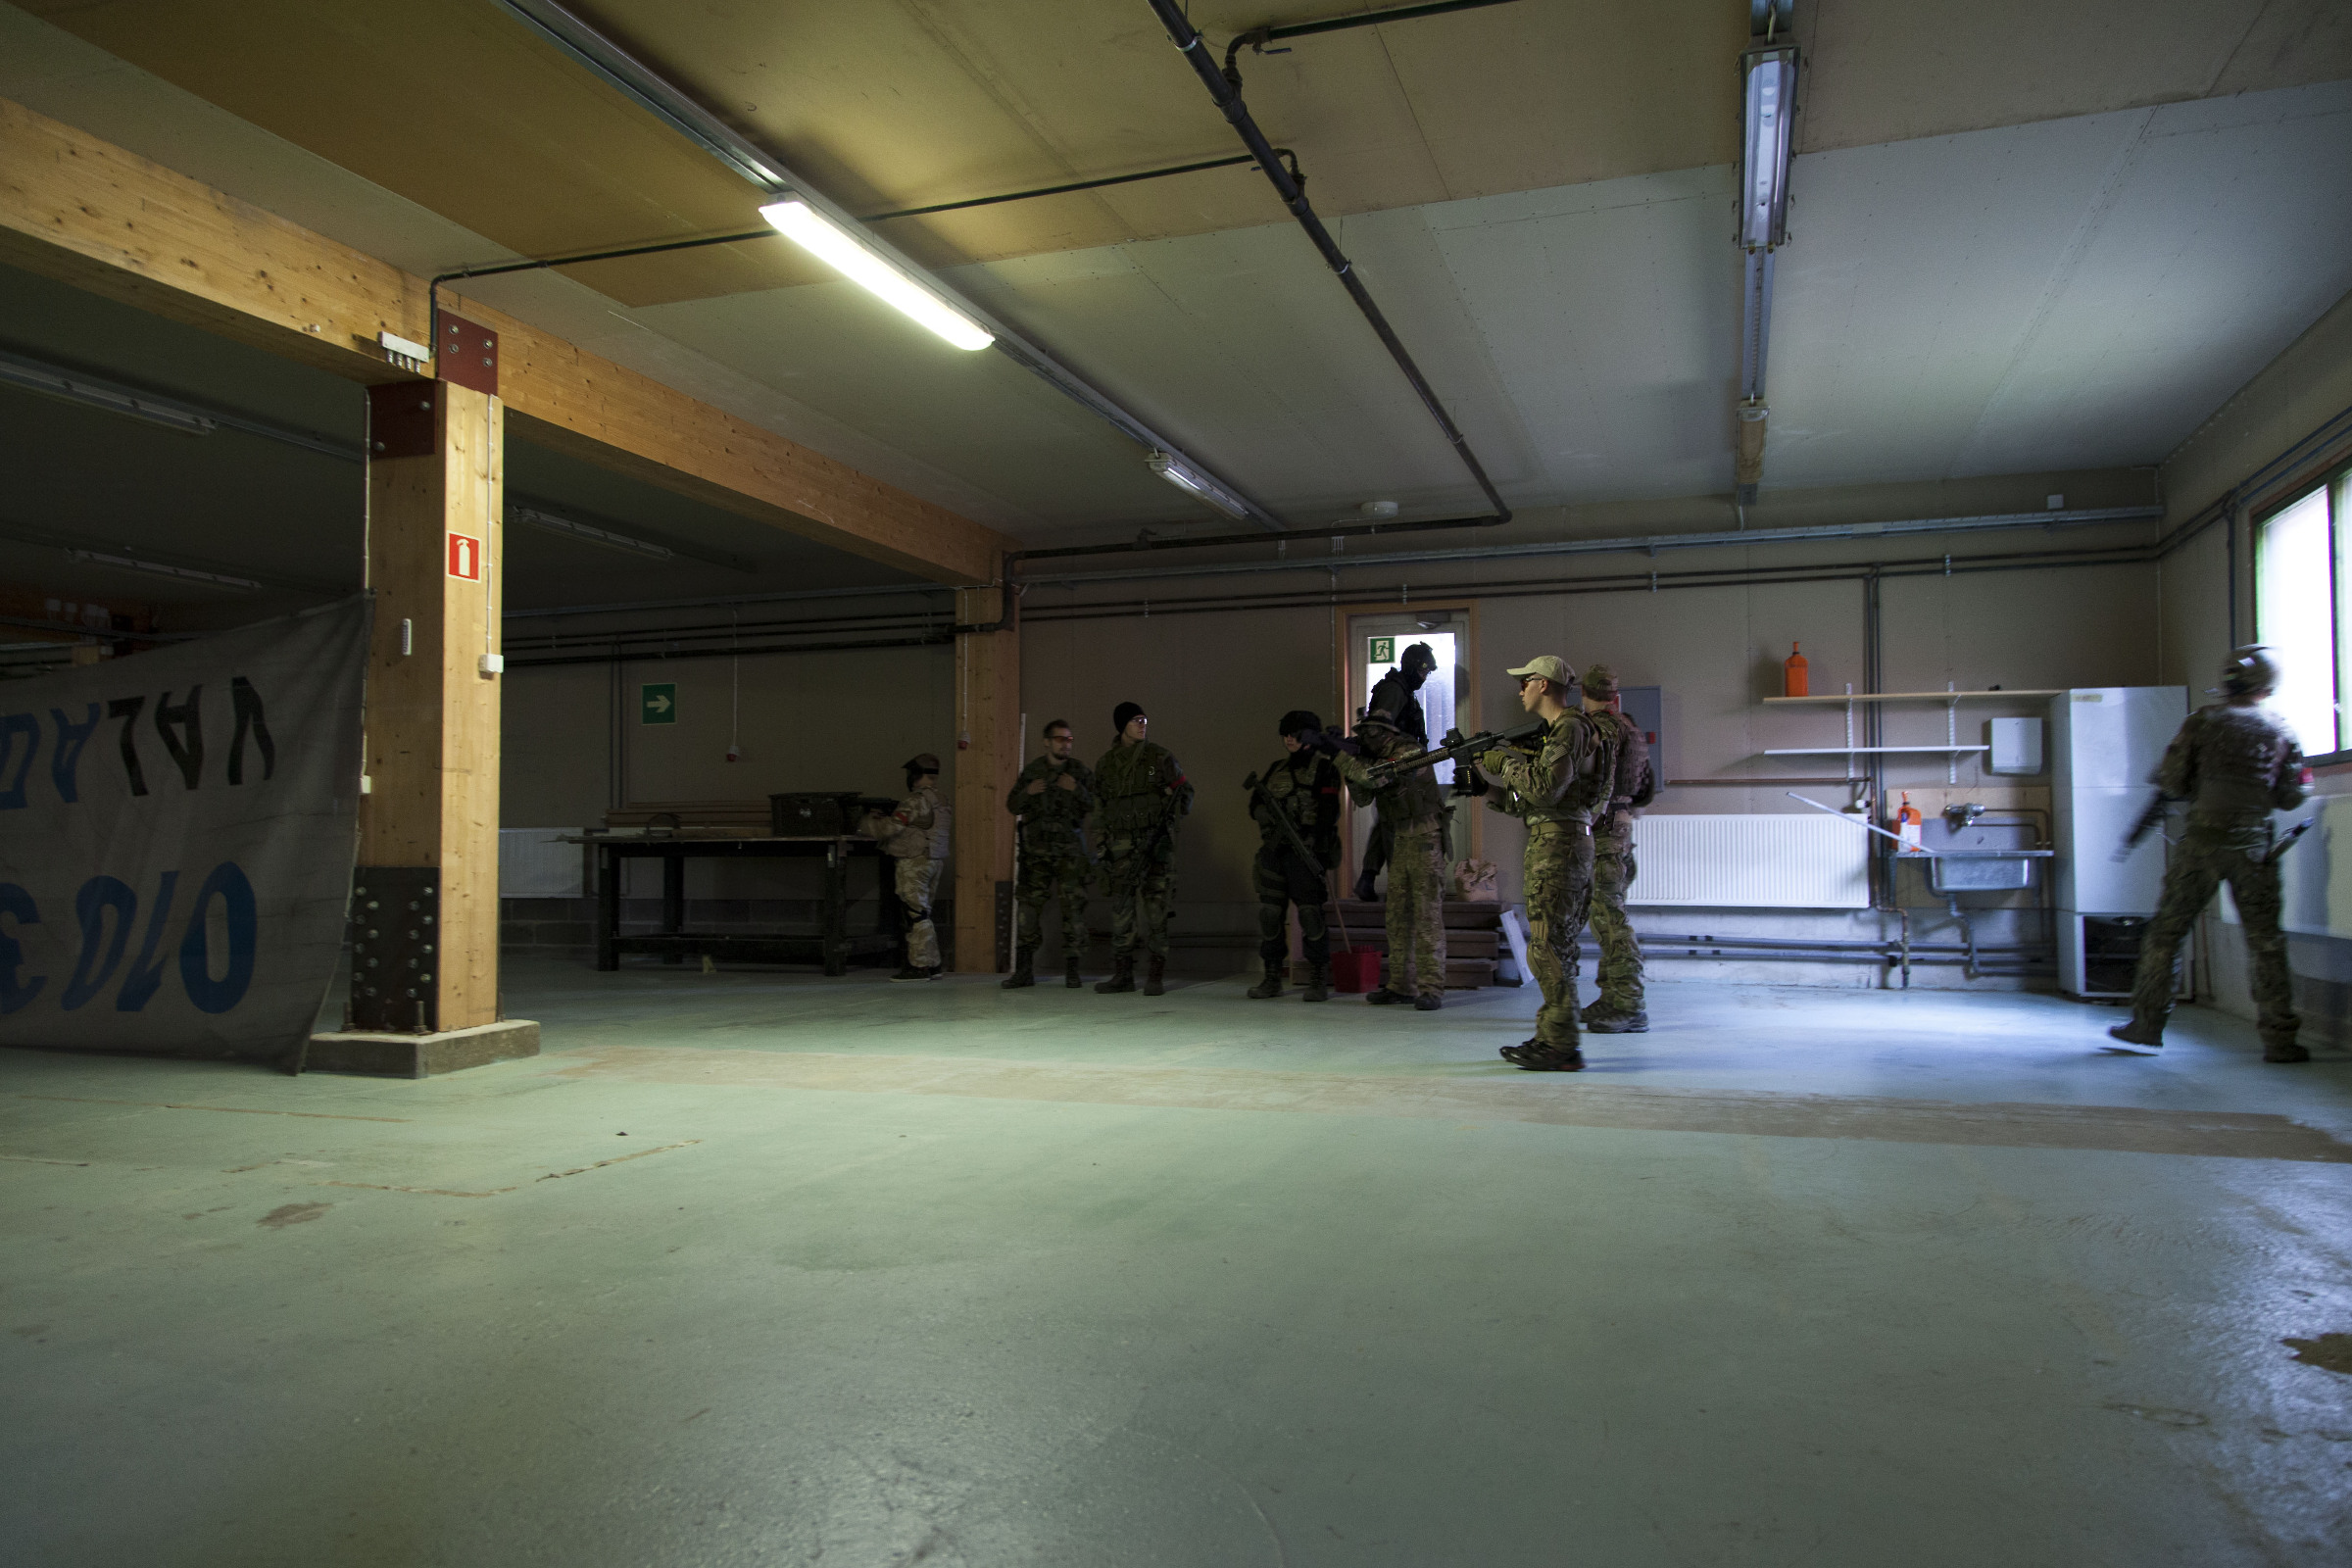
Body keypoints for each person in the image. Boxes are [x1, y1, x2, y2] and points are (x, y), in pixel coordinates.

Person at [2108, 646, 2313, 1062]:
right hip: (2253, 849)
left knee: (2166, 936)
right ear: (2268, 684)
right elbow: (2292, 796)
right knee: (2266, 943)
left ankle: (2147, 1025)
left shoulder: (2202, 722)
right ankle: (2280, 1040)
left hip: (2201, 846)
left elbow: (2173, 782)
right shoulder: (2281, 729)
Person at [1477, 656, 1618, 1070]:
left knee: (1547, 948)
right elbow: (1530, 803)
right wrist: (1485, 789)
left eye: (1525, 682)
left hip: (1559, 847)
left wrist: (1503, 762)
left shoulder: (1569, 728)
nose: (1520, 690)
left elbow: (1543, 790)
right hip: (1560, 840)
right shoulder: (1568, 731)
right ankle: (1556, 1037)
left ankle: (1560, 1045)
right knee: (1557, 947)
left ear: (1543, 684)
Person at [1332, 706, 1450, 1010]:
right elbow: (1362, 797)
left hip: (1425, 839)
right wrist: (1349, 764)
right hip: (1400, 841)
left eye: (1369, 733)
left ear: (1384, 733)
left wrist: (1341, 757)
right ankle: (1401, 985)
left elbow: (1374, 779)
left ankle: (1431, 988)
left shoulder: (1409, 751)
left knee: (1426, 917)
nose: (1366, 739)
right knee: (1397, 917)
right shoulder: (1373, 759)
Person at [1093, 702, 1194, 996]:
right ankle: (1123, 974)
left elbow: (1186, 795)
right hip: (1121, 848)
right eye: (1136, 720)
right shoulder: (1106, 765)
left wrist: (1169, 802)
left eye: (1144, 720)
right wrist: (1101, 847)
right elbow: (1100, 809)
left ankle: (1155, 974)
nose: (1142, 725)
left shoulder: (1159, 757)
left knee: (1156, 909)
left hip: (1155, 845)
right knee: (1122, 909)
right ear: (1122, 725)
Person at [1247, 710, 1345, 1003]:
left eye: (1295, 734)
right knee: (1270, 914)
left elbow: (1329, 812)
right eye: (1285, 734)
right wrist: (1269, 817)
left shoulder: (1324, 769)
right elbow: (1254, 806)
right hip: (1274, 853)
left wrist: (1314, 840)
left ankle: (1317, 977)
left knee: (1310, 915)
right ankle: (1272, 977)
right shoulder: (1276, 769)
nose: (1288, 739)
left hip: (1305, 852)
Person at [1582, 663, 1655, 1034]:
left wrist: (1591, 818)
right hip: (1622, 826)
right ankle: (1611, 996)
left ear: (1584, 693)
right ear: (1614, 695)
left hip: (1605, 830)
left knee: (1611, 921)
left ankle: (1630, 1005)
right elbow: (1647, 787)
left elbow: (1601, 783)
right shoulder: (1632, 727)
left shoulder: (1599, 729)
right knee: (1606, 918)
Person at [1004, 718, 1097, 990]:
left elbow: (1098, 804)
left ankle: (1073, 971)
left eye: (1069, 739)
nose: (1065, 744)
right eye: (1060, 739)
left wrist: (1076, 790)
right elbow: (1012, 804)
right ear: (1047, 742)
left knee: (1074, 910)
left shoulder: (1079, 771)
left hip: (1070, 854)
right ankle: (1024, 971)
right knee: (1028, 910)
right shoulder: (1033, 772)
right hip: (1036, 855)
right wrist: (1028, 792)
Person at [1353, 642, 1439, 902]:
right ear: (1412, 668)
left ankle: (1368, 879)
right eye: (1423, 672)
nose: (1424, 678)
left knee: (1388, 821)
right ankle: (1397, 889)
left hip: (1402, 767)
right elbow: (1379, 731)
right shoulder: (1394, 690)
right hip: (1395, 768)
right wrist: (1392, 760)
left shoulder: (1402, 690)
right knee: (1394, 824)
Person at [867, 754, 951, 981]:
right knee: (923, 914)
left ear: (915, 775)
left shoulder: (915, 800)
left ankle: (919, 966)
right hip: (934, 861)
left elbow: (890, 829)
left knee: (915, 915)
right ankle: (933, 964)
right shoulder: (941, 799)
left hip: (914, 862)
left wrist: (868, 822)